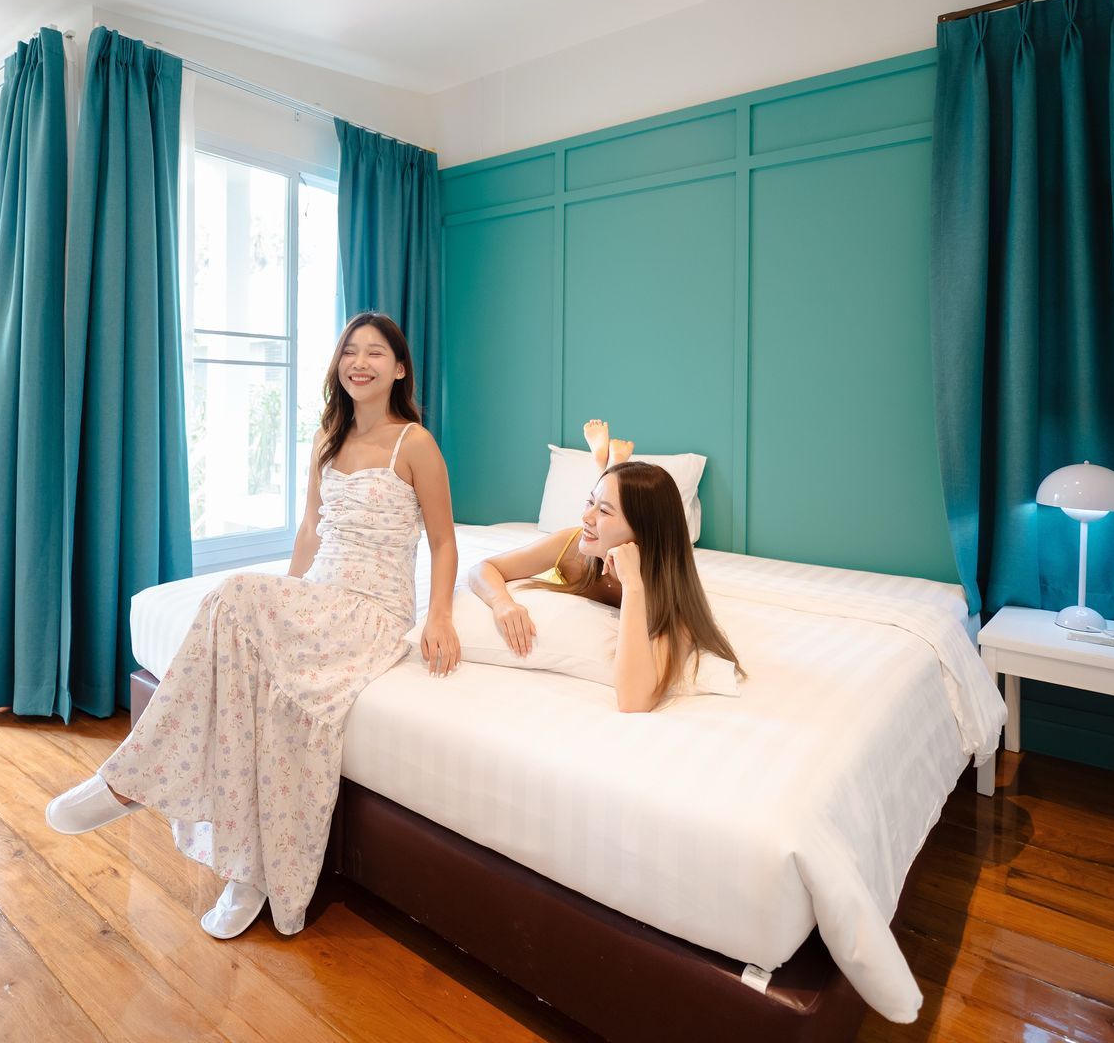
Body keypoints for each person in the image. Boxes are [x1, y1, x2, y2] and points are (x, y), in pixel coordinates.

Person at [44, 312, 459, 938]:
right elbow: (311, 531)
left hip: (373, 611)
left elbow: (444, 540)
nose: (360, 362)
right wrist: (285, 606)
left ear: (399, 368)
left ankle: (127, 784)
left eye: (376, 353)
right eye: (350, 351)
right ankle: (250, 873)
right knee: (257, 678)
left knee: (235, 592)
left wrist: (440, 616)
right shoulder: (327, 439)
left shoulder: (415, 443)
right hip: (322, 599)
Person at [466, 460, 742, 711]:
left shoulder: (669, 597)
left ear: (642, 528)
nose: (587, 517)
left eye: (605, 511)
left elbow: (634, 700)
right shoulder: (573, 546)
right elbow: (484, 568)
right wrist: (502, 603)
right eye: (590, 502)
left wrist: (634, 586)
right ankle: (606, 458)